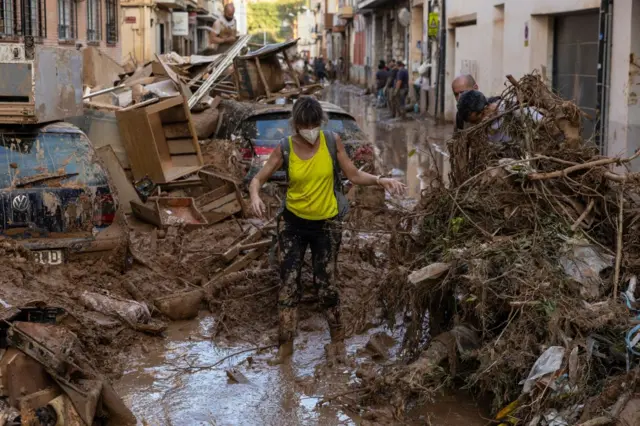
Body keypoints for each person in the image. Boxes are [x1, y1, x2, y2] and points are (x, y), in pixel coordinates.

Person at [249, 96, 405, 364]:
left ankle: (338, 342)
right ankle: (285, 348)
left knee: (327, 285)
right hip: (293, 224)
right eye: (304, 125)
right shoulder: (284, 147)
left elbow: (353, 175)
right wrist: (255, 196)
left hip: (326, 225)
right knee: (288, 285)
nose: (309, 130)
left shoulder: (332, 142)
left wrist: (381, 180)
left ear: (319, 123)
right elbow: (257, 179)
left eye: (313, 124)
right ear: (295, 124)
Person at [457, 90, 543, 143]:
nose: (481, 122)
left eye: (482, 115)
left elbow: (543, 123)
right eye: (475, 122)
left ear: (487, 107)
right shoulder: (479, 133)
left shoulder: (512, 110)